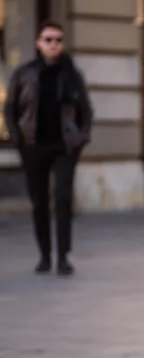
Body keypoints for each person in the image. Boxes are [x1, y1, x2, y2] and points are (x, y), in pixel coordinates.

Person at [3, 21, 93, 275]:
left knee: (63, 199)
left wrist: (81, 138)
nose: (54, 44)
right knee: (39, 201)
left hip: (64, 146)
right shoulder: (24, 73)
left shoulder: (72, 75)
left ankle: (63, 256)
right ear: (38, 44)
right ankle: (44, 254)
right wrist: (17, 138)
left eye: (58, 40)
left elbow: (86, 110)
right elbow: (10, 107)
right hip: (33, 146)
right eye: (48, 39)